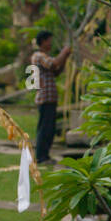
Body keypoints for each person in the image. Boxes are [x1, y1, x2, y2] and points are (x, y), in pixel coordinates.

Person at [31, 29, 71, 165]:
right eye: (49, 40)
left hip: (50, 99)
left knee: (49, 129)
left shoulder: (44, 57)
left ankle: (45, 156)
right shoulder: (38, 56)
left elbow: (56, 71)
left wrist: (65, 57)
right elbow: (53, 63)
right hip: (45, 98)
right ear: (43, 41)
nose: (51, 43)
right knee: (45, 129)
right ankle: (41, 157)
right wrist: (63, 53)